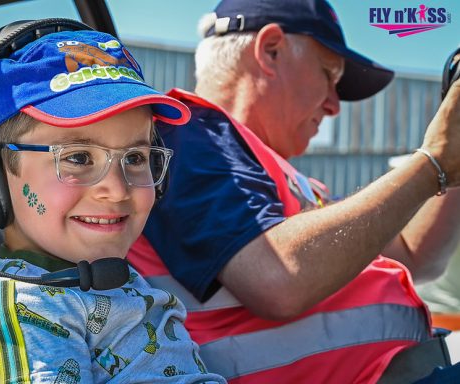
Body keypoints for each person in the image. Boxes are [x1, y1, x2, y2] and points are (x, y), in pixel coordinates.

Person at [127, 0, 460, 383]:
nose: (335, 106)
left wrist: (451, 158)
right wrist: (431, 162)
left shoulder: (266, 169)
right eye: (329, 75)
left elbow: (414, 256)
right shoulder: (187, 137)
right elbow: (278, 278)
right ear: (270, 50)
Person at [0, 23, 227, 384]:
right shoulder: (25, 310)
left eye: (136, 158)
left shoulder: (103, 279)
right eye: (78, 157)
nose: (116, 189)